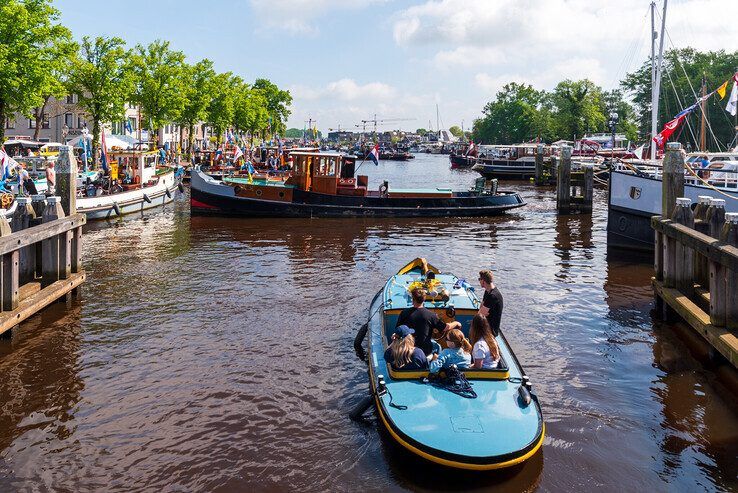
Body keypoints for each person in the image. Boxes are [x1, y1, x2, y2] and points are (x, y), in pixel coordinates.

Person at [396, 288, 461, 357]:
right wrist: (456, 323)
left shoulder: (404, 313)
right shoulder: (431, 315)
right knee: (437, 347)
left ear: (413, 299)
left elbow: (398, 329)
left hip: (406, 350)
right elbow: (446, 327)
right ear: (424, 300)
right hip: (424, 352)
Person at [478, 269, 503, 336]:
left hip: (490, 331)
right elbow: (481, 308)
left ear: (483, 281)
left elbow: (480, 314)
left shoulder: (492, 296)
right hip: (486, 325)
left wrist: (482, 313)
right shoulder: (487, 291)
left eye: (479, 279)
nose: (479, 281)